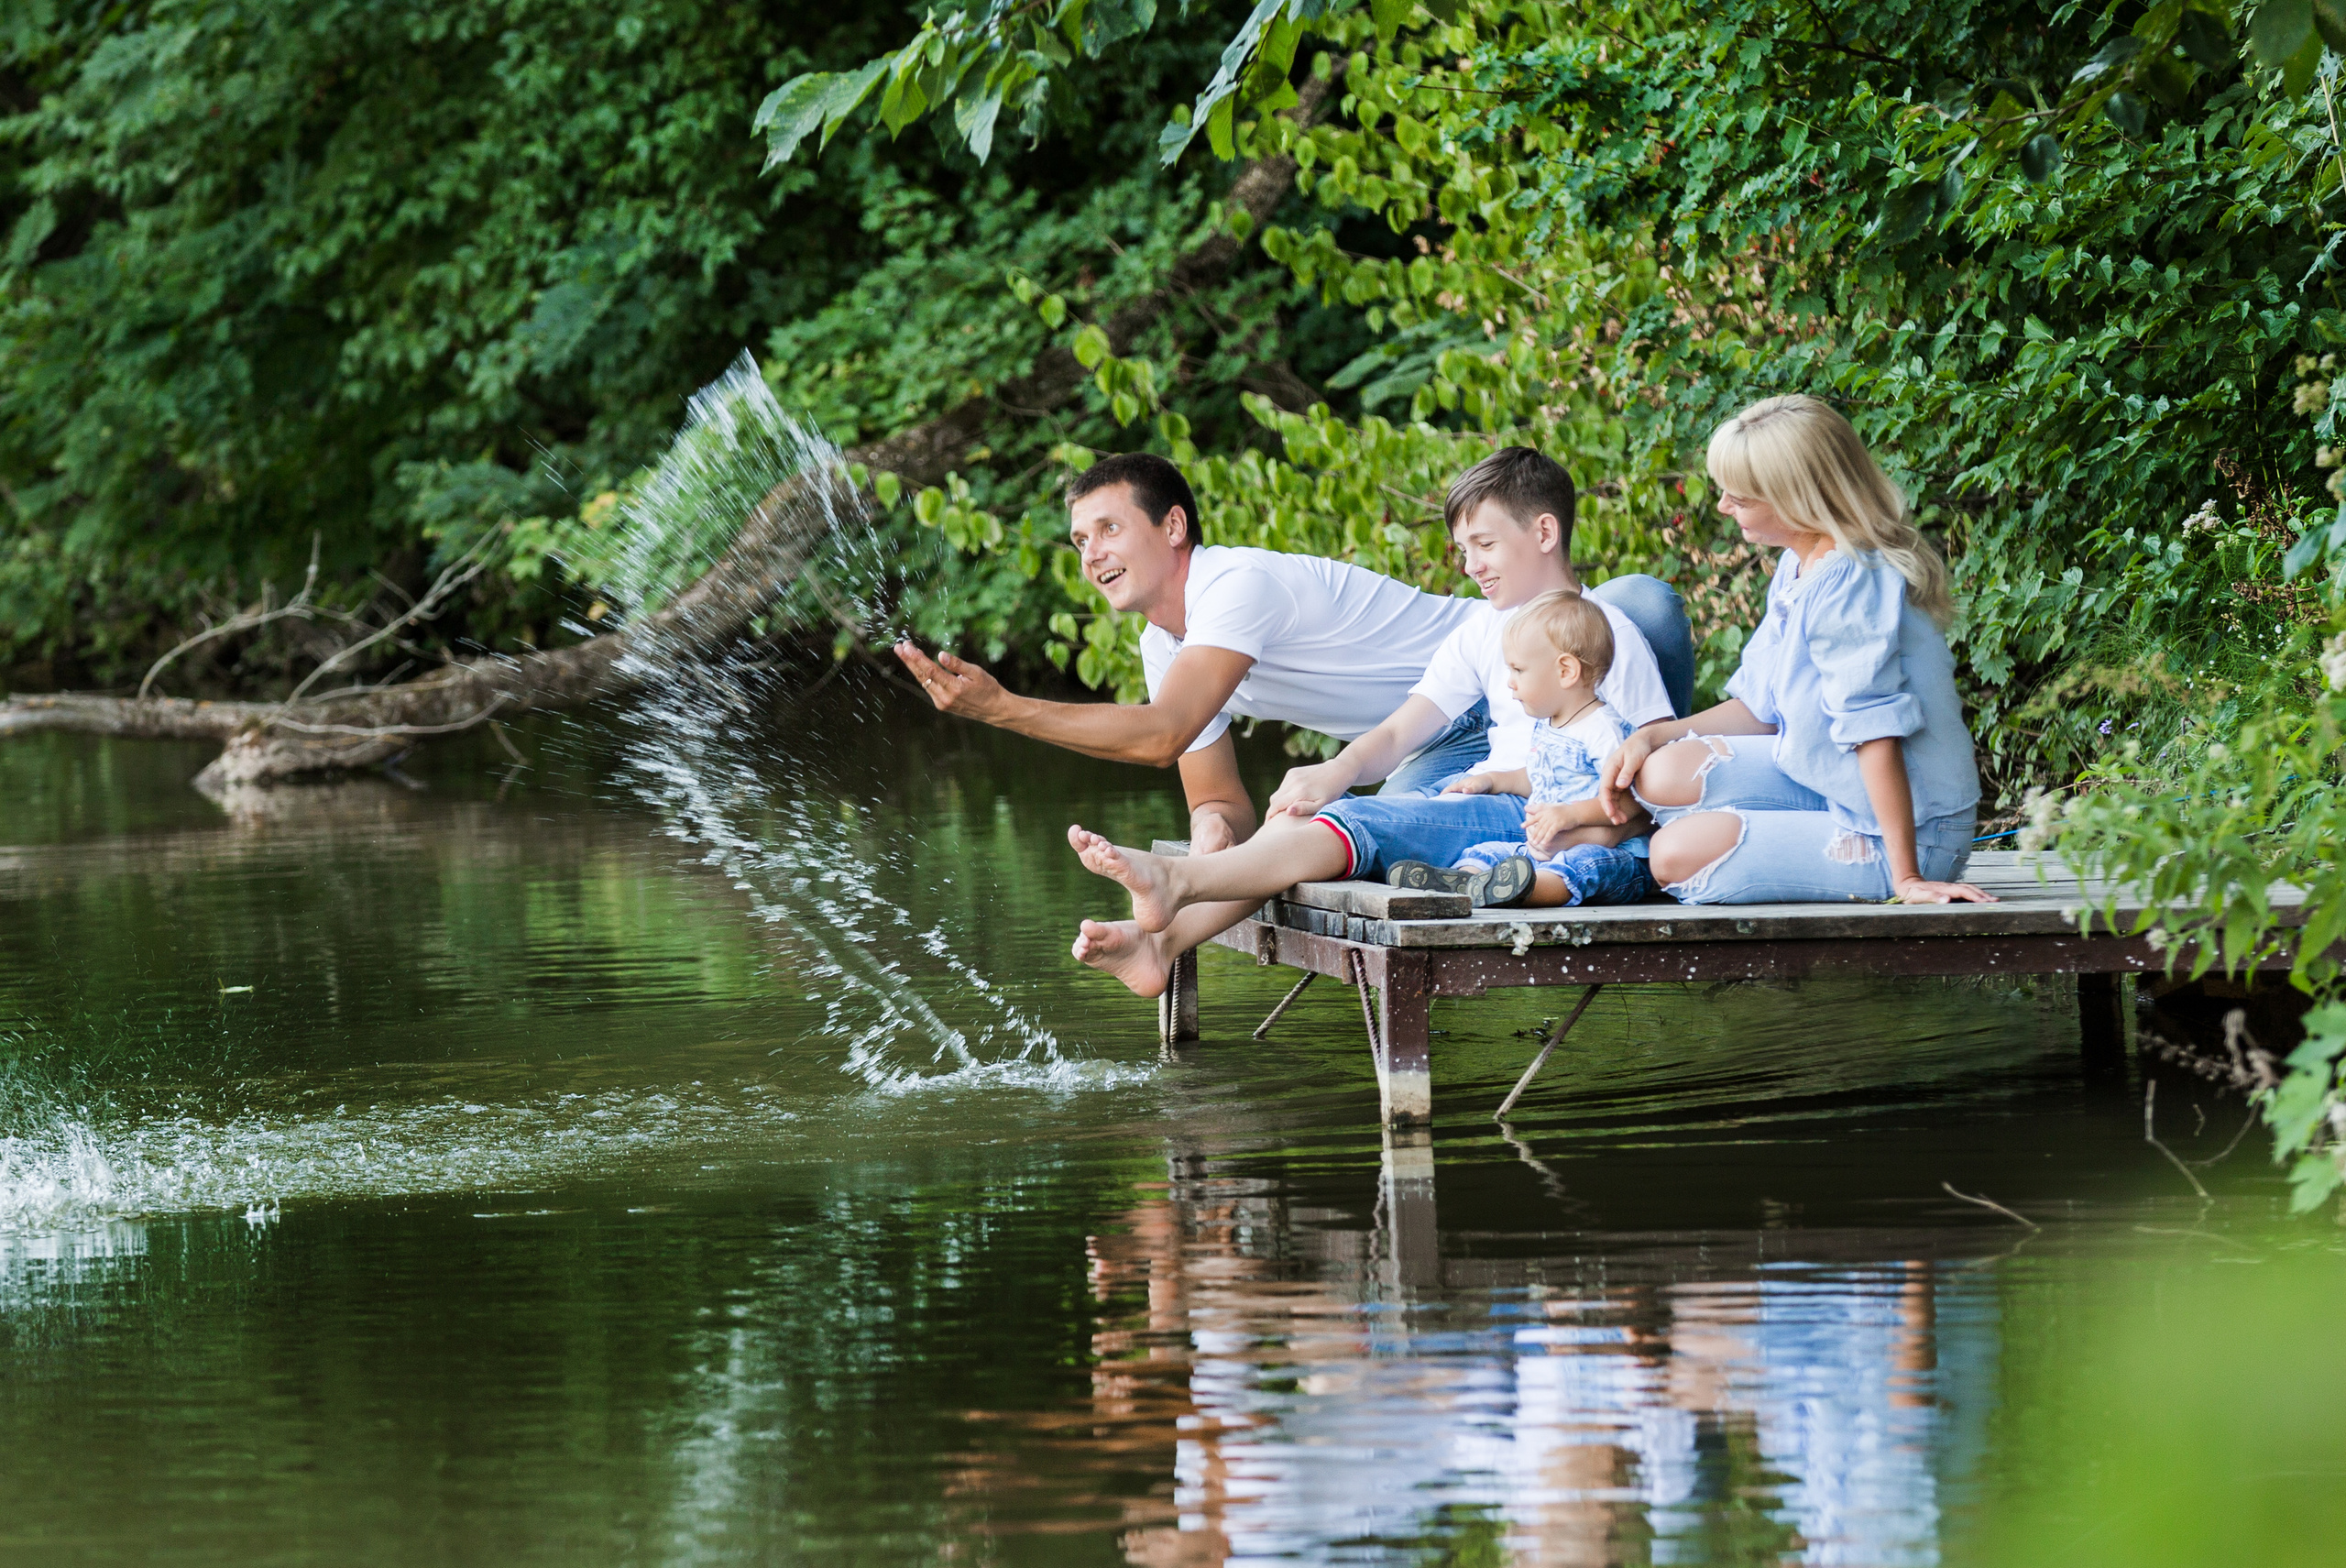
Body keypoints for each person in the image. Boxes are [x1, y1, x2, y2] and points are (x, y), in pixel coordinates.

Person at [1066, 447, 1680, 995]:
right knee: (1321, 814)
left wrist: (1578, 817)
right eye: (1464, 550)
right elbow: (1397, 732)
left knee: (1358, 823)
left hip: (1537, 814)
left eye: (1484, 547)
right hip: (1493, 799)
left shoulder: (1605, 630)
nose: (1471, 567)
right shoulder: (1481, 632)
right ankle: (1163, 942)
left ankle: (1176, 883)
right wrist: (1332, 771)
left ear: (1544, 532)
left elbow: (1650, 758)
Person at [894, 453, 1695, 855]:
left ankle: (1644, 796)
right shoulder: (1160, 645)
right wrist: (1213, 836)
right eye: (1078, 541)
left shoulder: (1234, 584)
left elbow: (1160, 733)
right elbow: (1219, 798)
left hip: (1507, 667)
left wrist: (1001, 709)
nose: (1091, 554)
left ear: (1173, 527)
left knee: (1639, 603)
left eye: (1108, 528)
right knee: (1369, 829)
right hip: (1423, 731)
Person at [1595, 395, 1995, 906]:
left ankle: (1864, 863)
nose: (1722, 507)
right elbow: (1761, 707)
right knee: (1658, 769)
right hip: (1828, 780)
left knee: (1672, 855)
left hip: (1912, 830)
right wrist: (1654, 735)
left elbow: (1874, 730)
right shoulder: (1799, 564)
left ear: (1796, 498)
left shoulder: (1853, 579)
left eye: (1739, 498)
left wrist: (1909, 879)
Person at [1388, 588, 1655, 909]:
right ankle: (1468, 883)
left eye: (1518, 670)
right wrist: (1495, 781)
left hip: (1616, 854)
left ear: (1566, 671)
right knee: (1486, 852)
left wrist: (1570, 814)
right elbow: (1542, 777)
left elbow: (1632, 800)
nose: (1510, 682)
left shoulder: (1604, 731)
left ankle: (1522, 892)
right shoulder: (1551, 724)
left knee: (1577, 868)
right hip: (1546, 846)